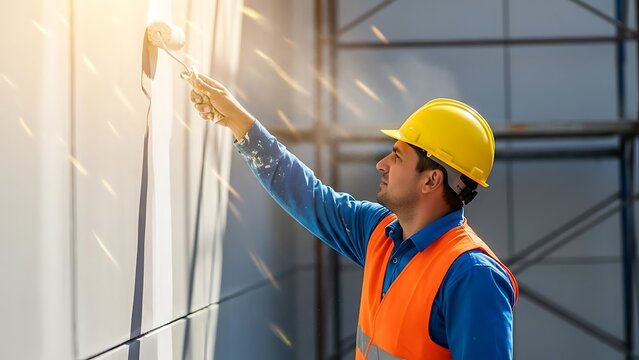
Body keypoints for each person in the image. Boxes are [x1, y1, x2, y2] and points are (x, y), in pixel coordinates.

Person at [189, 75, 519, 360]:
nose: (382, 164)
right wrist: (236, 120)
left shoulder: (472, 276)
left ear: (431, 180)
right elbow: (308, 195)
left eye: (398, 156)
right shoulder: (380, 234)